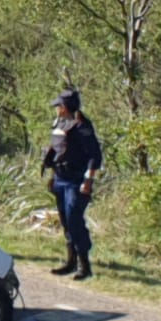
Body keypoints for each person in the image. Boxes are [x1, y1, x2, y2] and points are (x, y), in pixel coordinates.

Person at [40, 88, 103, 280]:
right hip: (60, 178)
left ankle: (85, 266)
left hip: (76, 180)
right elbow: (58, 150)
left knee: (75, 222)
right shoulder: (60, 122)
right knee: (66, 222)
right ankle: (71, 262)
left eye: (59, 105)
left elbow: (95, 155)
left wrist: (88, 181)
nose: (56, 108)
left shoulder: (82, 125)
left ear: (66, 106)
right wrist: (52, 175)